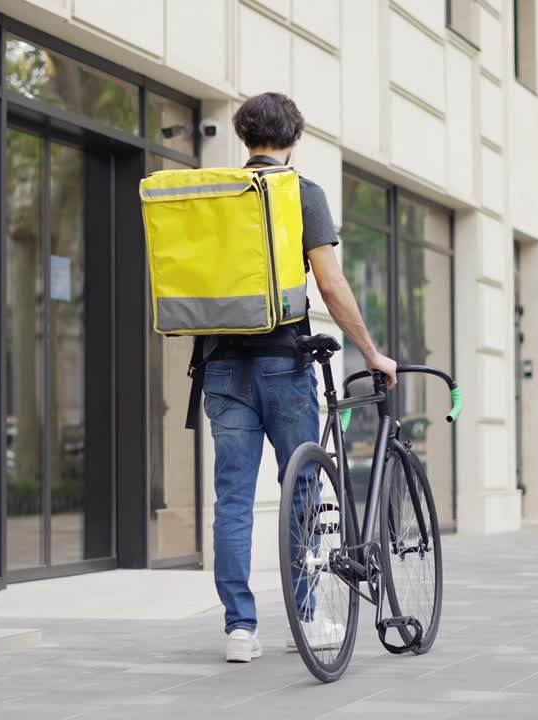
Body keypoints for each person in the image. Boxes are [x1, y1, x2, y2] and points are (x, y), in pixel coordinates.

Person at [204, 92, 397, 663]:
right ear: (294, 139)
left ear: (244, 136)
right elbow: (331, 284)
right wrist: (371, 352)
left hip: (220, 367)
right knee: (303, 490)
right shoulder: (300, 192)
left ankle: (240, 630)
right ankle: (306, 618)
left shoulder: (215, 195)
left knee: (232, 500)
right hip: (284, 365)